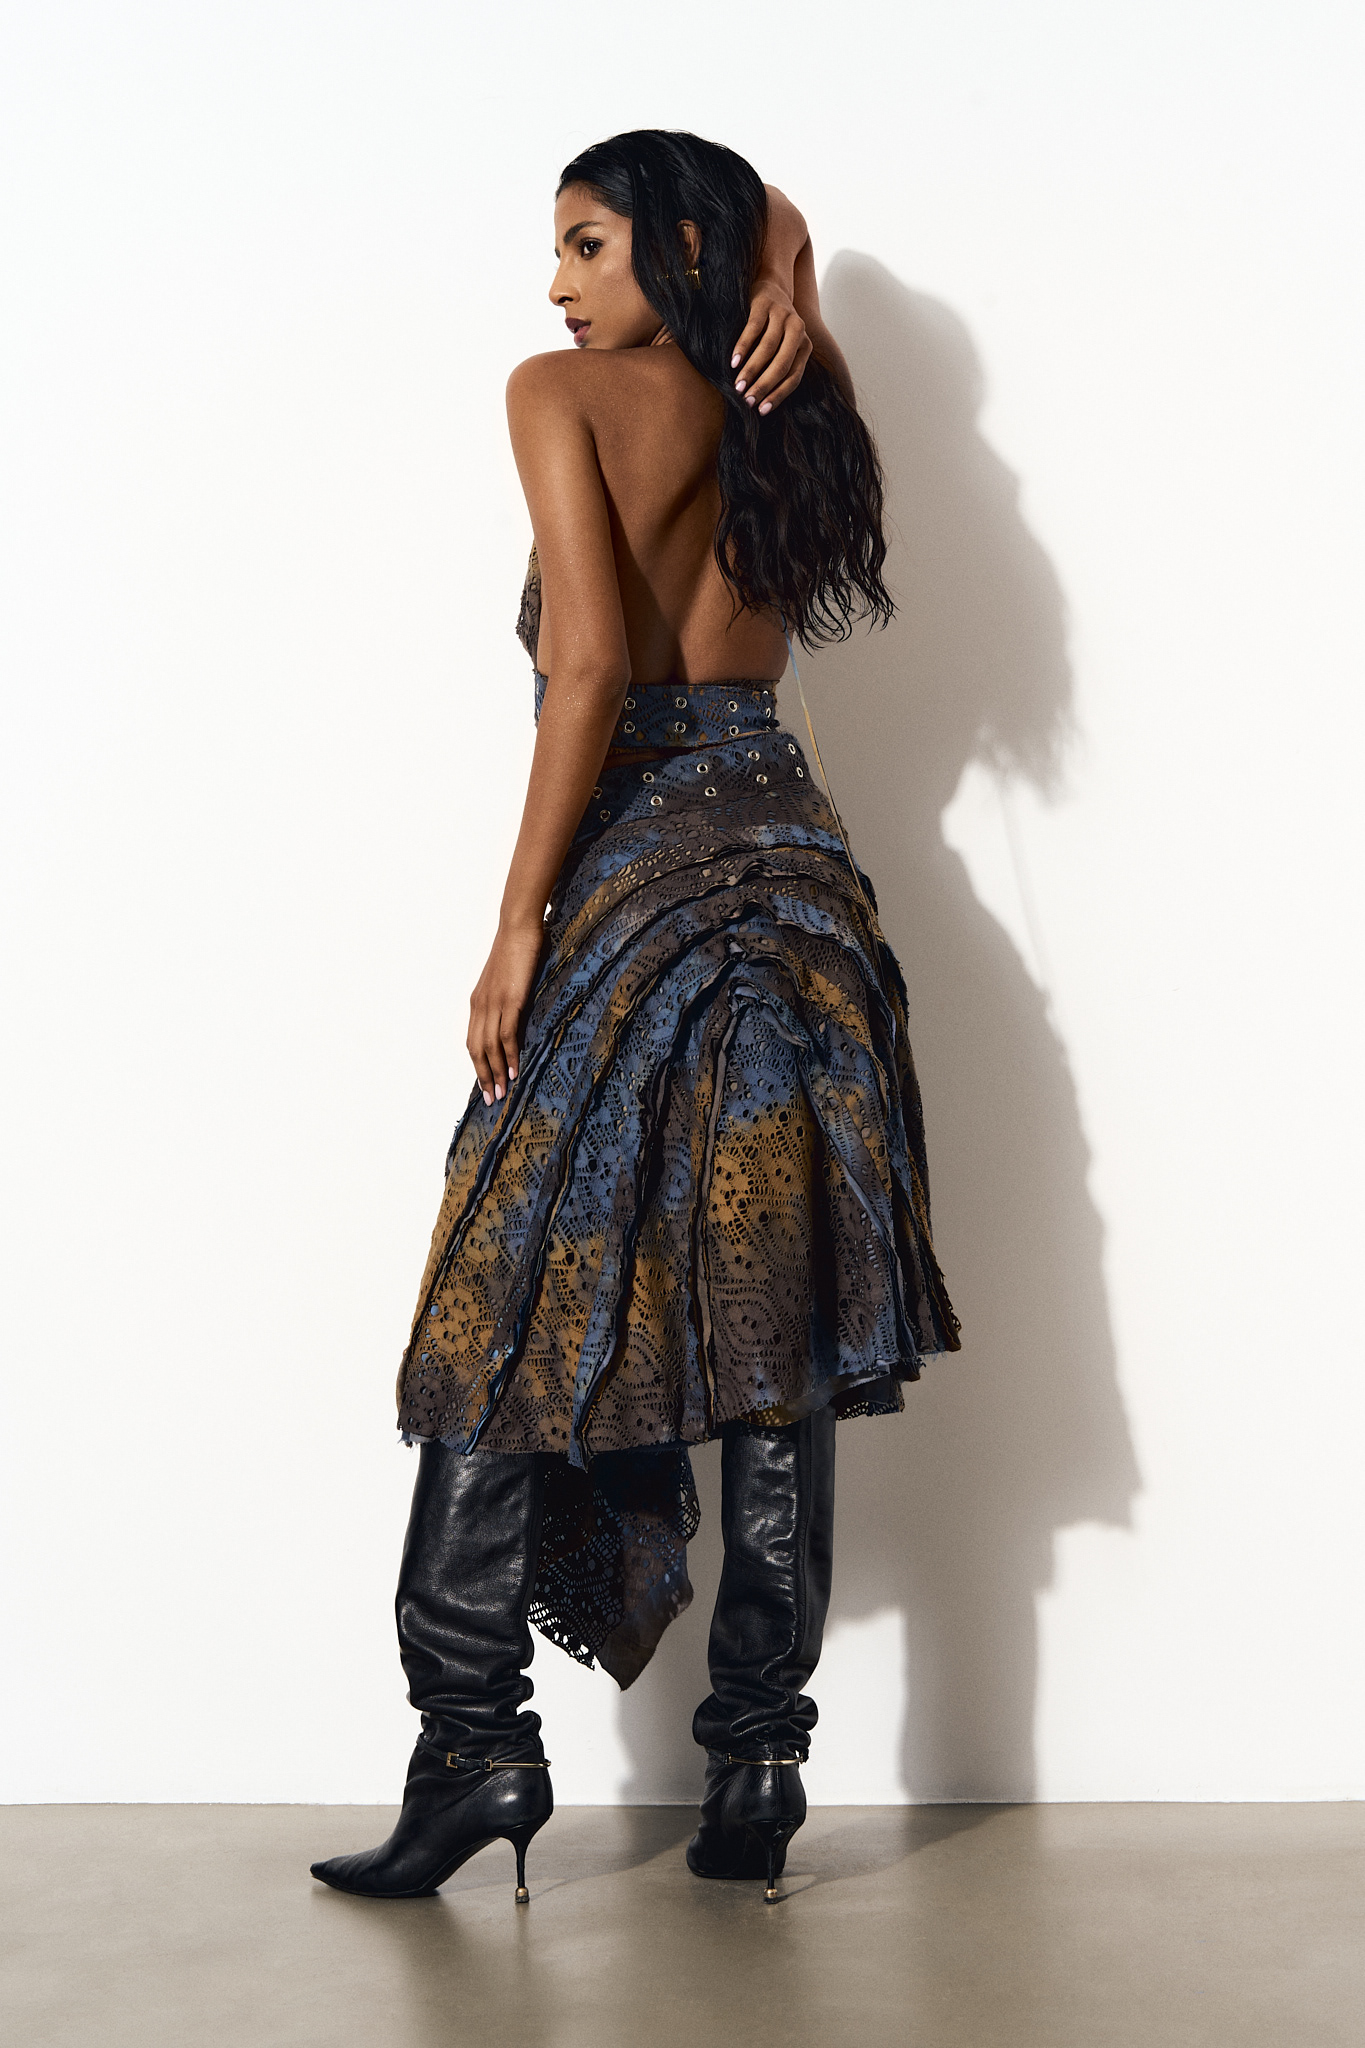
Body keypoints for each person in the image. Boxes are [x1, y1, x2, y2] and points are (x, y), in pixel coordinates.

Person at [311, 129, 959, 1907]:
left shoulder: (560, 396)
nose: (555, 285)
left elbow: (591, 664)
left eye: (586, 244)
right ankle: (756, 1765)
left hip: (639, 887)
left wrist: (517, 922)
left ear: (675, 242)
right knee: (773, 1329)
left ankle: (472, 1750)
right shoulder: (790, 402)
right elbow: (776, 222)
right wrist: (785, 274)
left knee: (501, 1304)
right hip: (802, 898)